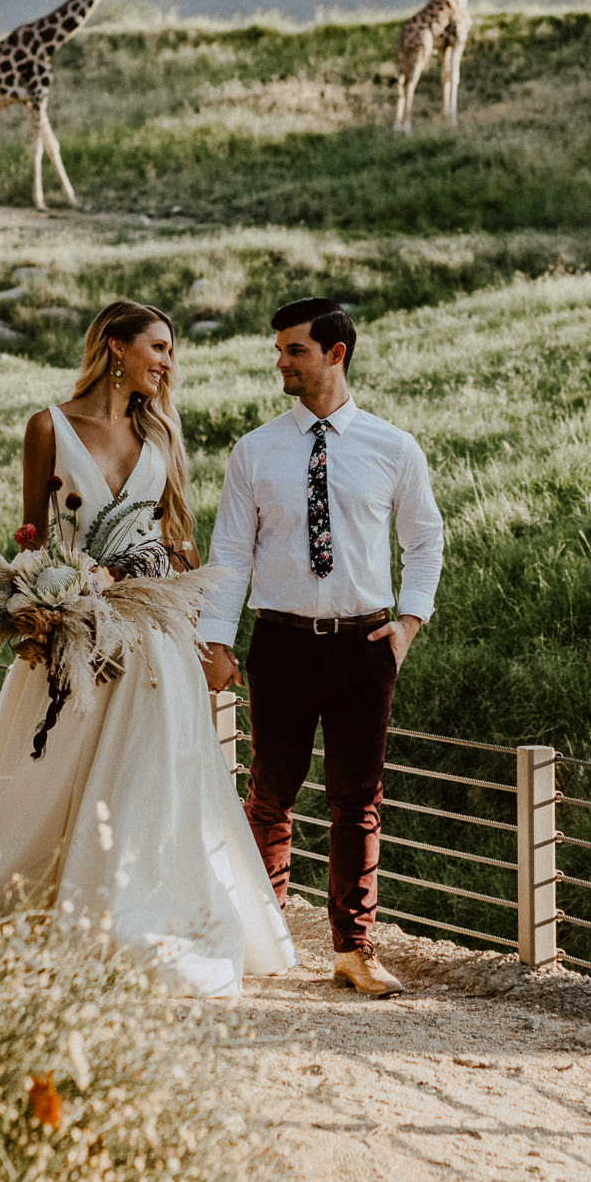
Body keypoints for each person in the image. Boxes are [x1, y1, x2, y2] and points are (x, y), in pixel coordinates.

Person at [0, 300, 295, 997]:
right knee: (52, 765)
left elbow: (177, 542)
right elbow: (28, 535)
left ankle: (141, 909)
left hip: (152, 630)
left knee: (155, 766)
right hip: (75, 627)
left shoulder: (161, 435)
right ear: (116, 347)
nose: (167, 363)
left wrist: (201, 632)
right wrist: (39, 600)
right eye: (158, 348)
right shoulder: (48, 427)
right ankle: (42, 897)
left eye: (169, 352)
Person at [201, 298, 445, 998]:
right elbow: (230, 550)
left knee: (356, 799)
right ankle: (263, 934)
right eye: (279, 350)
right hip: (278, 642)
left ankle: (354, 949)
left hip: (362, 645)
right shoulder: (255, 450)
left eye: (294, 351)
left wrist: (409, 625)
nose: (281, 362)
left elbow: (424, 540)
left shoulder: (393, 447)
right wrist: (216, 639)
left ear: (335, 354)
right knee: (270, 794)